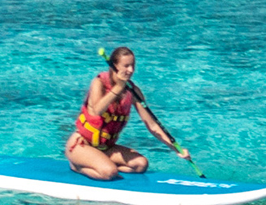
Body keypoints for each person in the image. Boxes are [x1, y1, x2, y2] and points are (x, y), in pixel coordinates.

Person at [68, 46, 189, 180]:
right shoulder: (99, 83)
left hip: (106, 148)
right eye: (126, 66)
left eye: (133, 65)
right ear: (114, 66)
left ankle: (100, 162)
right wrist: (118, 87)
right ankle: (77, 166)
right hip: (82, 145)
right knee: (109, 172)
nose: (131, 70)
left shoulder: (133, 91)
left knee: (141, 164)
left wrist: (176, 149)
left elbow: (152, 125)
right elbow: (97, 110)